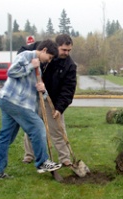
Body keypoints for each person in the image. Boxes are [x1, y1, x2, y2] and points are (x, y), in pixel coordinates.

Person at [0, 39, 62, 181]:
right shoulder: (27, 56)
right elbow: (11, 72)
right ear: (44, 50)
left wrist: (43, 90)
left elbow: (35, 89)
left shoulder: (39, 66)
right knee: (38, 127)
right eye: (49, 57)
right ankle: (42, 162)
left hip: (12, 102)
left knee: (6, 137)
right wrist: (30, 66)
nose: (49, 61)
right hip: (15, 101)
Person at [19, 34, 77, 167]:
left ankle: (65, 158)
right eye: (63, 50)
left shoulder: (69, 65)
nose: (66, 53)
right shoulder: (41, 47)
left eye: (69, 50)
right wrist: (31, 62)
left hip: (53, 100)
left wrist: (59, 108)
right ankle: (29, 155)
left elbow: (68, 90)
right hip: (35, 95)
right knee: (32, 126)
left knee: (57, 129)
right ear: (56, 46)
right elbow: (22, 51)